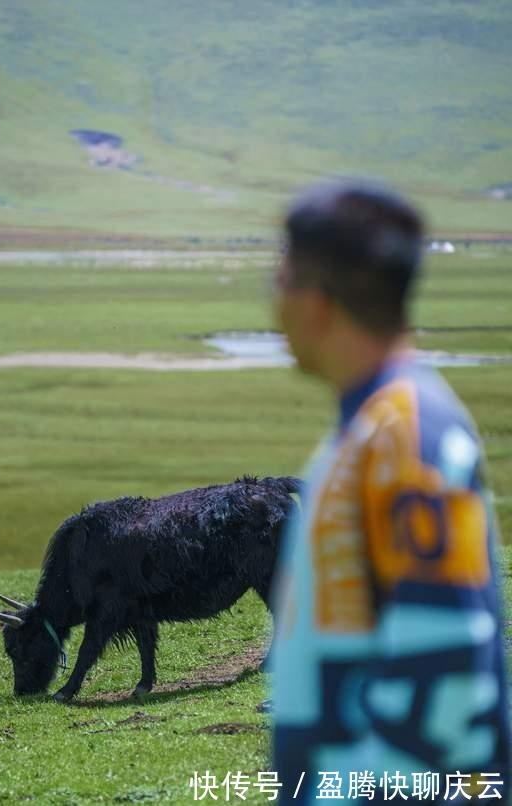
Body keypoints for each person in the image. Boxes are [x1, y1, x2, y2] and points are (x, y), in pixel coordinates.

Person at [270, 180, 510, 804]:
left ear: (318, 302)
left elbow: (448, 683)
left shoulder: (407, 437)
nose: (274, 307)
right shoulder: (373, 428)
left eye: (282, 282)